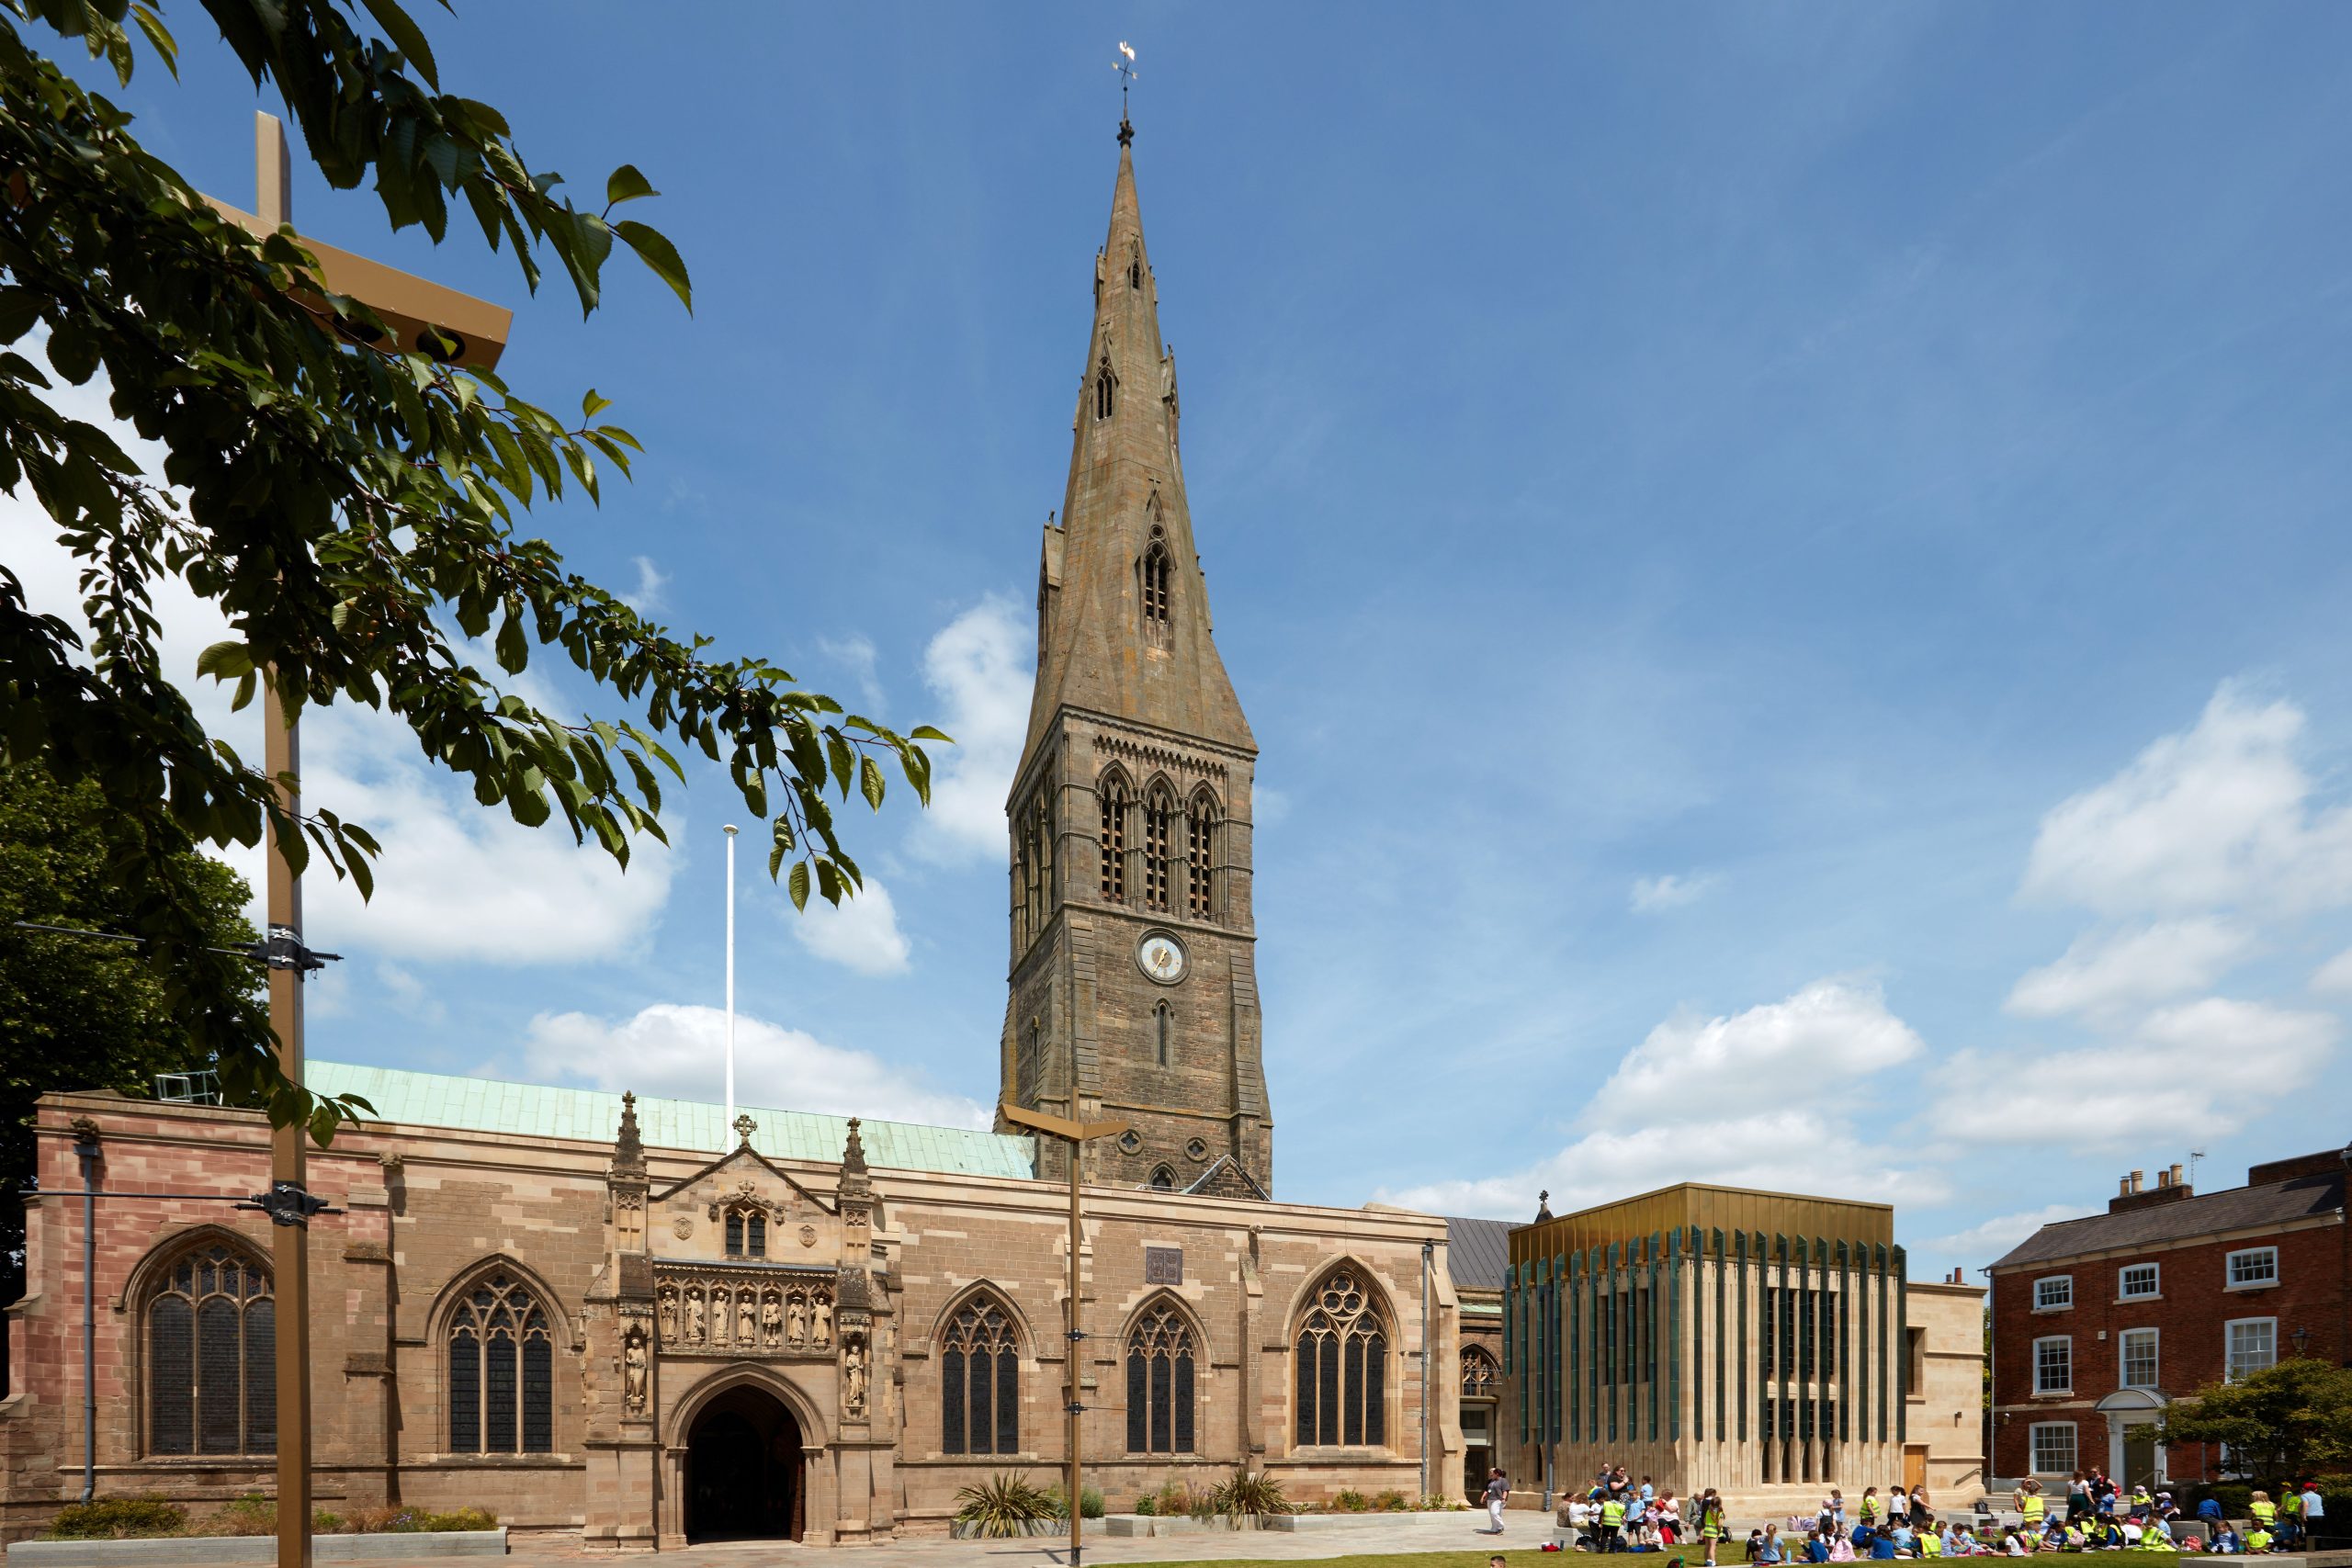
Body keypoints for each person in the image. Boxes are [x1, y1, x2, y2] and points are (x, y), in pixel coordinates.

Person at [1699, 1492, 1727, 1568]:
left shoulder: (1708, 1511)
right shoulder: (1720, 1513)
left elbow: (1705, 1520)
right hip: (1714, 1531)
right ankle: (1713, 1562)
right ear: (1720, 1504)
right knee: (1712, 1547)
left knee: (1707, 1547)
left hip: (1707, 1529)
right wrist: (1719, 1531)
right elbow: (1720, 1524)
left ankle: (1706, 1562)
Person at [1484, 1470, 1511, 1536]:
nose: (1491, 1475)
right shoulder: (1492, 1481)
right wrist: (1485, 1497)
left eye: (1493, 1474)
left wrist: (1503, 1498)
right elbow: (1489, 1490)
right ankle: (1494, 1528)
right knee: (1492, 1515)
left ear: (1497, 1474)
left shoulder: (1503, 1480)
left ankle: (1501, 1527)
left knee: (1494, 1513)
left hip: (1498, 1499)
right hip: (1490, 1499)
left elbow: (1505, 1490)